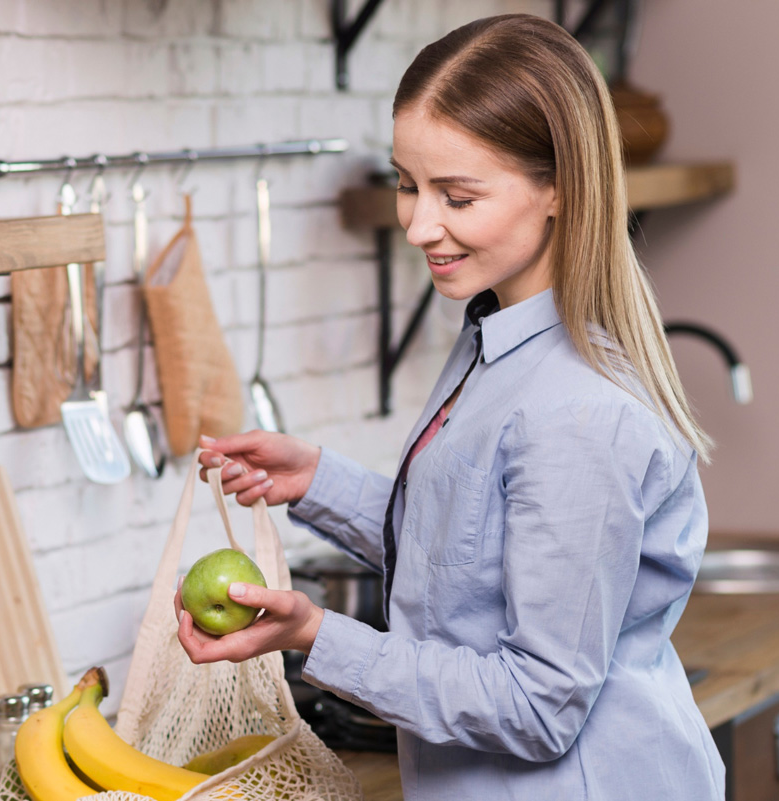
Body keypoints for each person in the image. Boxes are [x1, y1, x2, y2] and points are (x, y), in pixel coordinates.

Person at [174, 13, 726, 800]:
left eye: (457, 196)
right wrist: (318, 482)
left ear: (559, 189)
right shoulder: (492, 339)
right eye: (407, 183)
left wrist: (316, 636)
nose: (418, 224)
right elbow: (474, 553)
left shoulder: (577, 412)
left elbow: (537, 706)